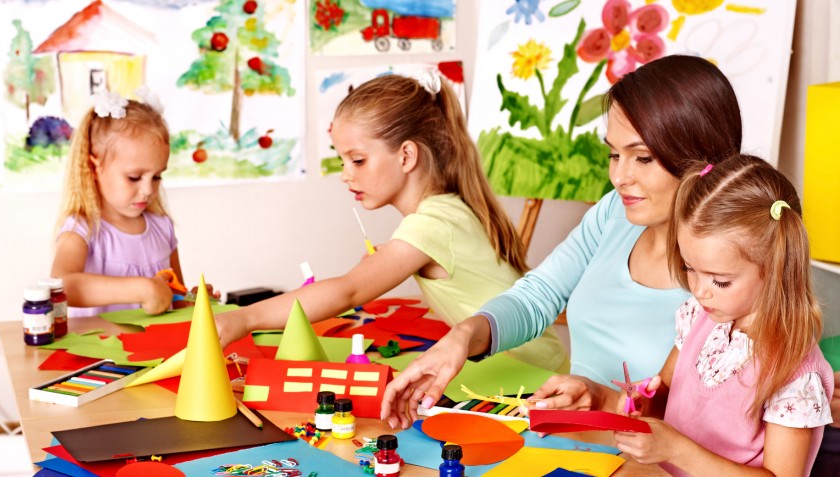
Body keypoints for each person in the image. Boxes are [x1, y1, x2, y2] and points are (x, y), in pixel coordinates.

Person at [381, 54, 744, 429]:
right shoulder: (613, 214)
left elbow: (710, 424)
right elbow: (538, 296)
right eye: (614, 154)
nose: (619, 177)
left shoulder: (733, 275)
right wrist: (461, 339)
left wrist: (601, 399)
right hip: (576, 442)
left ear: (703, 156)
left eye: (643, 158)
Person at [215, 72, 568, 373]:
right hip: (530, 366)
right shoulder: (445, 211)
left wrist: (244, 319)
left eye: (357, 160)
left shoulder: (431, 225)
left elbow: (348, 291)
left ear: (406, 155)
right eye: (343, 161)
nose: (345, 175)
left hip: (532, 377)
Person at [612, 154, 834, 476]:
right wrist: (643, 403)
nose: (700, 291)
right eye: (690, 268)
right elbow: (666, 398)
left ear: (775, 269)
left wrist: (677, 449)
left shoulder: (793, 373)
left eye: (720, 280)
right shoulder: (699, 318)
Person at [51, 89, 183, 317]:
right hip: (100, 353)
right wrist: (142, 288)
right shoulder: (82, 229)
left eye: (157, 176)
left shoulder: (163, 228)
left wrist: (196, 301)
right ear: (94, 167)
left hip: (155, 352)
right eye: (134, 177)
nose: (148, 190)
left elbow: (176, 298)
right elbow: (61, 286)